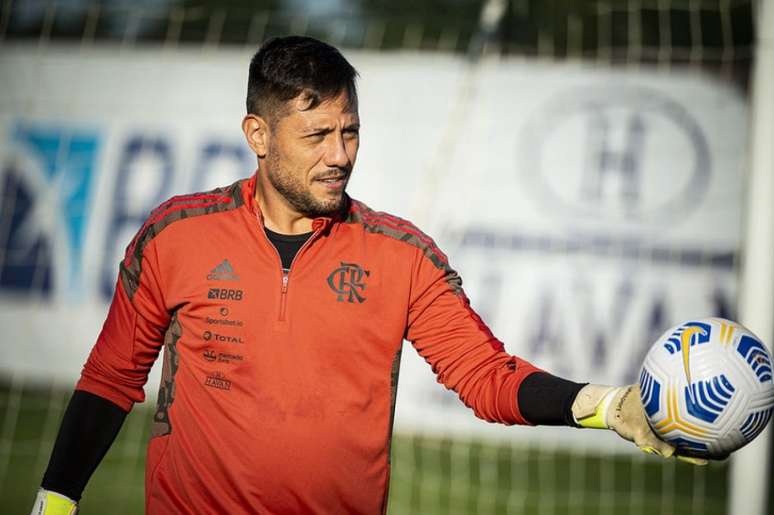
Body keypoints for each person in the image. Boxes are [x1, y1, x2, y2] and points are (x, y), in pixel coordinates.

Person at [32, 36, 699, 515]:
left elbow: (487, 378)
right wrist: (57, 498)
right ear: (258, 134)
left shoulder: (401, 255)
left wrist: (610, 406)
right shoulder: (175, 234)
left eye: (349, 132)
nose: (340, 155)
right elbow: (111, 377)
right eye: (317, 135)